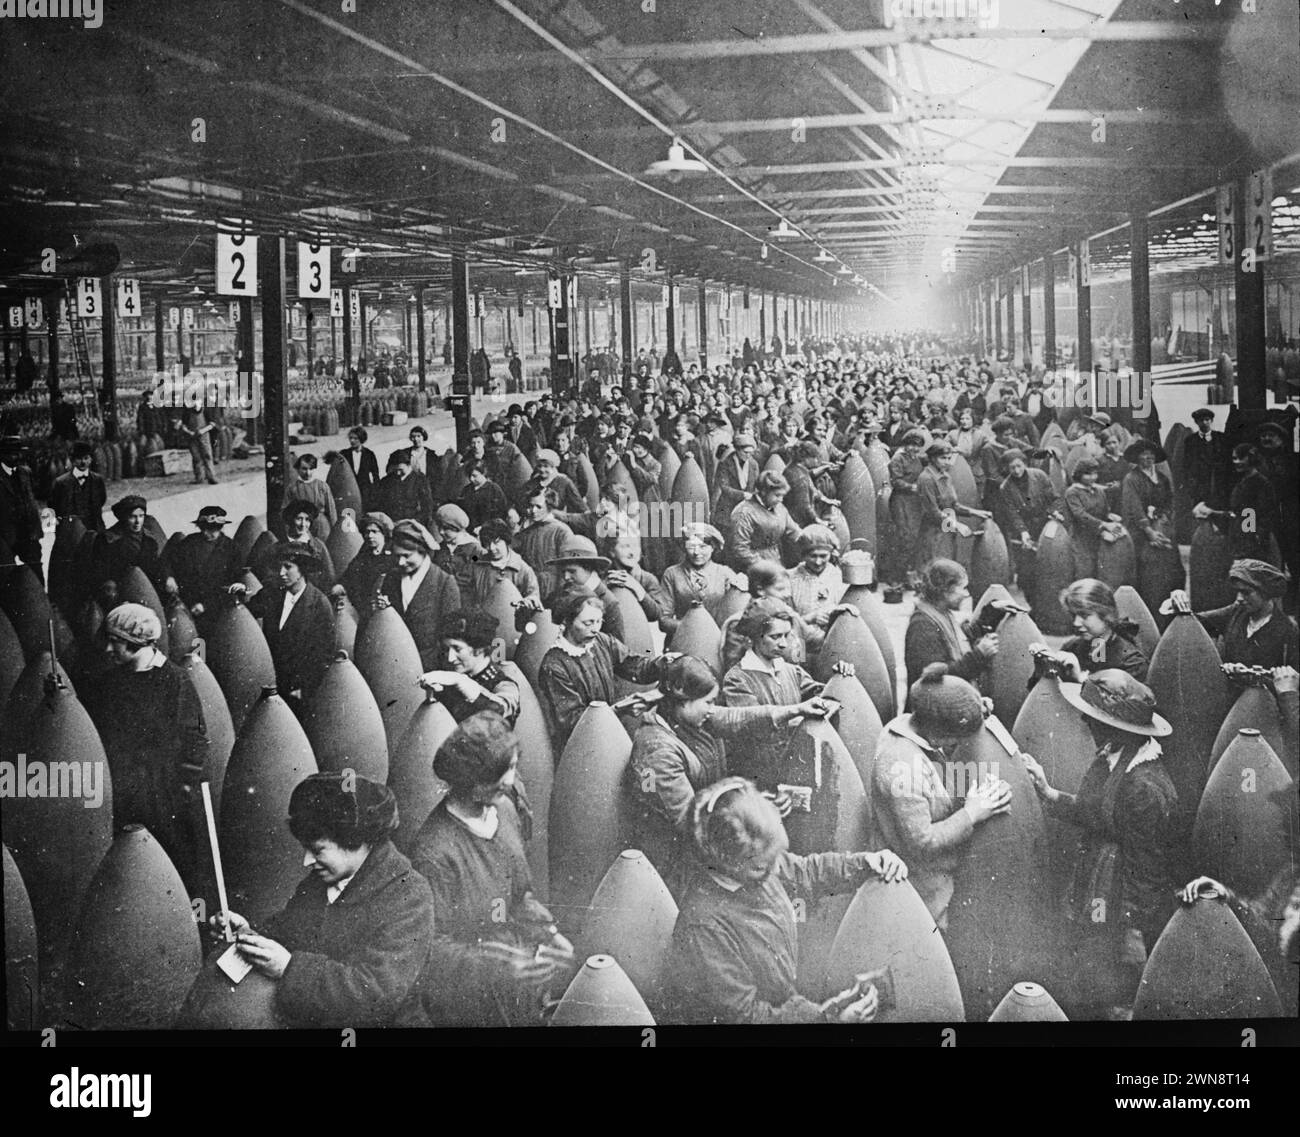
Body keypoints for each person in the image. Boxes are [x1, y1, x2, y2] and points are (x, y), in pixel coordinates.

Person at [664, 777, 907, 1025]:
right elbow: (746, 1017)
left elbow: (804, 871)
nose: (772, 871)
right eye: (761, 867)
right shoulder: (704, 928)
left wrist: (864, 863)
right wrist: (827, 1021)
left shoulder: (757, 866)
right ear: (724, 862)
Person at [211, 773, 435, 1028]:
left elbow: (376, 992)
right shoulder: (319, 884)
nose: (307, 861)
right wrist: (250, 933)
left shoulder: (409, 896)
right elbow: (289, 930)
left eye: (317, 850)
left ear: (356, 841)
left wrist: (289, 969)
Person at [1022, 670, 1179, 1018]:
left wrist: (1134, 932)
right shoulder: (1115, 756)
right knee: (1091, 966)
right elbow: (1099, 814)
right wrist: (1049, 793)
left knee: (1111, 986)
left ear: (1118, 727)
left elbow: (1148, 872)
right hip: (1101, 890)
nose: (1083, 720)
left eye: (1093, 717)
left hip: (1121, 905)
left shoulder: (1146, 789)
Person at [410, 713, 574, 1026]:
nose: (510, 781)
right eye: (498, 774)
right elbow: (431, 950)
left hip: (516, 986)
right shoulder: (434, 854)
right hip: (470, 1004)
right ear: (469, 782)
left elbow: (519, 896)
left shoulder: (505, 811)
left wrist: (548, 932)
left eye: (511, 767)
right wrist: (498, 966)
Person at [627, 656, 833, 898]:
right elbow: (690, 822)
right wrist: (752, 815)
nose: (712, 709)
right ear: (683, 701)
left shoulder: (686, 718)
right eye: (708, 702)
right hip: (678, 863)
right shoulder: (657, 752)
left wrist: (794, 710)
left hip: (708, 841)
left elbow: (737, 718)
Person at [866, 663, 1011, 928]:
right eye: (954, 740)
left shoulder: (906, 724)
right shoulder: (902, 765)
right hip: (924, 892)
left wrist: (971, 712)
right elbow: (922, 841)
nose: (957, 746)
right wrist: (972, 813)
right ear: (936, 734)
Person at [84, 602, 209, 897]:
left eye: (116, 642)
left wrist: (178, 790)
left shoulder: (175, 682)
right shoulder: (110, 683)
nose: (109, 650)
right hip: (122, 795)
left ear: (136, 642)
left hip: (164, 801)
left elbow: (194, 743)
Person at [720, 598, 855, 789]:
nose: (784, 644)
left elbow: (825, 694)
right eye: (775, 637)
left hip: (794, 769)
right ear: (755, 637)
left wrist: (839, 679)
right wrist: (800, 715)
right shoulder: (737, 679)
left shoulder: (791, 671)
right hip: (757, 777)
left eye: (786, 635)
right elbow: (754, 723)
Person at [536, 588, 667, 749]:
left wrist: (663, 663)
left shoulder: (601, 642)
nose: (595, 629)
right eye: (588, 623)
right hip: (578, 746)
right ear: (566, 622)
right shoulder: (554, 665)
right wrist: (618, 709)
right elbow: (571, 720)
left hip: (608, 731)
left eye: (599, 621)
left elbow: (637, 667)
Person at [236, 547, 334, 717]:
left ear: (302, 570)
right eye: (280, 567)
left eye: (288, 567)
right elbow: (247, 613)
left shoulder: (319, 604)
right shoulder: (272, 593)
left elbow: (324, 654)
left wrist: (306, 688)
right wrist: (239, 595)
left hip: (298, 691)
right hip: (271, 682)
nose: (281, 572)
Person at [1164, 559, 1298, 669]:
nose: (1239, 598)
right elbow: (1195, 622)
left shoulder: (1286, 630)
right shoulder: (1235, 612)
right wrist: (1177, 601)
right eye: (1237, 592)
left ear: (1266, 593)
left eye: (1246, 592)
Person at [904, 558, 998, 694]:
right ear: (945, 589)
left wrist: (992, 612)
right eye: (963, 588)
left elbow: (963, 637)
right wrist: (979, 655)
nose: (967, 594)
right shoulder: (922, 625)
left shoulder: (940, 612)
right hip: (934, 709)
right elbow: (937, 679)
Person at [377, 520, 462, 671]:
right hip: (395, 663)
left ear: (422, 551)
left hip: (429, 667)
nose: (401, 562)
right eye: (397, 556)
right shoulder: (391, 579)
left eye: (407, 555)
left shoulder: (444, 583)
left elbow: (451, 636)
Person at [417, 611, 521, 726]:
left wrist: (462, 682)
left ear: (479, 649)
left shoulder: (505, 686)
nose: (450, 658)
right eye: (447, 649)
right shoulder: (451, 675)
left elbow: (500, 711)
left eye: (457, 649)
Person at [1037, 578, 1149, 682]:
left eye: (1084, 615)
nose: (1076, 623)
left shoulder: (1132, 663)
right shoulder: (1071, 648)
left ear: (1106, 615)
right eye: (1073, 615)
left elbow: (1119, 702)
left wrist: (1079, 678)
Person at [1120, 438, 1181, 614]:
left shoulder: (1162, 478)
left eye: (1150, 455)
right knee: (1147, 571)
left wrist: (1163, 518)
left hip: (1162, 527)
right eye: (1143, 455)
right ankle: (1148, 611)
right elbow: (1134, 507)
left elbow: (1170, 500)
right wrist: (1149, 531)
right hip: (1141, 532)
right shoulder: (1132, 479)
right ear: (1137, 459)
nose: (1148, 458)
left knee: (1171, 567)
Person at [1194, 444, 1280, 564]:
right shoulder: (1243, 481)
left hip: (1252, 544)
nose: (1237, 462)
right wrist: (1212, 513)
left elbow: (1257, 517)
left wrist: (1251, 540)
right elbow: (1237, 514)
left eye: (1241, 458)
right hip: (1241, 539)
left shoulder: (1261, 484)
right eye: (1234, 458)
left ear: (1252, 458)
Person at [659, 522, 747, 637]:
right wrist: (690, 627)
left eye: (703, 547)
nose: (696, 552)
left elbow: (736, 617)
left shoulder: (725, 573)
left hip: (716, 640)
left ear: (713, 547)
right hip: (682, 639)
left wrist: (741, 589)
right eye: (691, 547)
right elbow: (664, 620)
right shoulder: (672, 574)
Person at [169, 505, 241, 634]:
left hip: (216, 611)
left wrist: (206, 605)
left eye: (212, 529)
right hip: (187, 605)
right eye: (204, 528)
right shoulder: (189, 543)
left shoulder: (231, 548)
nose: (206, 533)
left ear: (220, 528)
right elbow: (169, 562)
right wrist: (169, 577)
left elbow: (232, 585)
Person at [917, 440, 990, 567]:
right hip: (933, 533)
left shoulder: (946, 476)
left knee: (949, 565)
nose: (946, 461)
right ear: (933, 458)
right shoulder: (926, 479)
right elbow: (933, 512)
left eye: (949, 458)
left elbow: (953, 505)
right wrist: (958, 525)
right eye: (942, 458)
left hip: (948, 529)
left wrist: (976, 513)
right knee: (934, 566)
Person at [96, 494, 175, 597]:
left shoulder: (149, 539)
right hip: (121, 591)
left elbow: (157, 565)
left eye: (141, 516)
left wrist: (167, 577)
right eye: (132, 517)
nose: (138, 521)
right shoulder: (108, 540)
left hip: (147, 587)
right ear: (123, 518)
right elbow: (100, 573)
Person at [463, 517, 541, 614]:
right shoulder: (476, 565)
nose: (492, 548)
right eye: (487, 543)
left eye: (496, 543)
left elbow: (533, 597)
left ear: (506, 541)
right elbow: (464, 592)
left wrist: (528, 601)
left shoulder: (523, 569)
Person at [1063, 457, 1125, 579]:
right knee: (1085, 570)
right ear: (1079, 474)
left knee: (1102, 569)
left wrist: (1110, 516)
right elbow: (1080, 514)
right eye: (1088, 474)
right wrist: (1104, 524)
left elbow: (1104, 509)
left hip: (1098, 536)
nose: (1092, 477)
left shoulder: (1099, 491)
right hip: (1081, 538)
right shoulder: (1072, 492)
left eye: (1095, 474)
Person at [729, 469, 800, 571]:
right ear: (763, 492)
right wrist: (766, 566)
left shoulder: (779, 507)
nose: (781, 500)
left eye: (782, 496)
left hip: (775, 561)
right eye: (777, 495)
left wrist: (813, 541)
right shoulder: (744, 513)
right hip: (752, 568)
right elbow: (740, 549)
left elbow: (794, 531)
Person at [516, 486, 573, 601]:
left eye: (538, 506)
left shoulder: (561, 531)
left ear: (549, 506)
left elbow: (568, 565)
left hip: (554, 590)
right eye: (530, 506)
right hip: (530, 588)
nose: (533, 511)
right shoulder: (525, 533)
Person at [263, 501, 335, 590]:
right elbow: (270, 581)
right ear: (290, 520)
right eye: (299, 519)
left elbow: (329, 578)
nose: (303, 524)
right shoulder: (276, 549)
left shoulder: (318, 547)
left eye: (307, 519)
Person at [0, 436, 43, 583]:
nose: (16, 457)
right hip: (6, 536)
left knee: (36, 571)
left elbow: (33, 497)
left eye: (18, 453)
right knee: (6, 575)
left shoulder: (25, 472)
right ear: (2, 454)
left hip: (29, 533)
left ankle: (42, 603)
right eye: (11, 453)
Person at [337, 512, 395, 614]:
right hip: (364, 606)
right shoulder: (365, 551)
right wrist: (341, 585)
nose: (369, 536)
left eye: (374, 531)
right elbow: (350, 572)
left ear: (383, 534)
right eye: (367, 532)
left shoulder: (392, 556)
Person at [48, 440, 107, 531]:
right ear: (72, 460)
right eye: (79, 458)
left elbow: (102, 500)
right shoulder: (61, 482)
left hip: (94, 528)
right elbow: (53, 506)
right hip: (71, 532)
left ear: (91, 459)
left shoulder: (97, 480)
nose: (83, 462)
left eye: (86, 458)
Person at [371, 450, 434, 530]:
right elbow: (379, 504)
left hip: (413, 525)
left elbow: (427, 507)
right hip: (391, 525)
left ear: (409, 465)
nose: (397, 473)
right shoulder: (385, 481)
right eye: (395, 470)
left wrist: (416, 523)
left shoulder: (420, 480)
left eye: (401, 469)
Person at [283, 453, 337, 540]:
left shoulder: (322, 486)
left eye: (311, 469)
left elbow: (331, 511)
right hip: (301, 527)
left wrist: (335, 531)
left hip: (321, 527)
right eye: (304, 469)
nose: (308, 473)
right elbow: (285, 511)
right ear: (298, 469)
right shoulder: (292, 488)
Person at [457, 459, 508, 531]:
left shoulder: (494, 489)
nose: (471, 479)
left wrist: (485, 527)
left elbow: (501, 513)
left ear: (483, 473)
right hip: (468, 530)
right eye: (469, 476)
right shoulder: (467, 490)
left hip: (488, 531)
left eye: (475, 476)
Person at [341, 427, 380, 509]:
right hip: (349, 490)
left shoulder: (369, 454)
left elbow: (375, 475)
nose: (352, 441)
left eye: (355, 438)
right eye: (350, 438)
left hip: (365, 491)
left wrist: (374, 492)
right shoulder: (344, 454)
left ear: (361, 439)